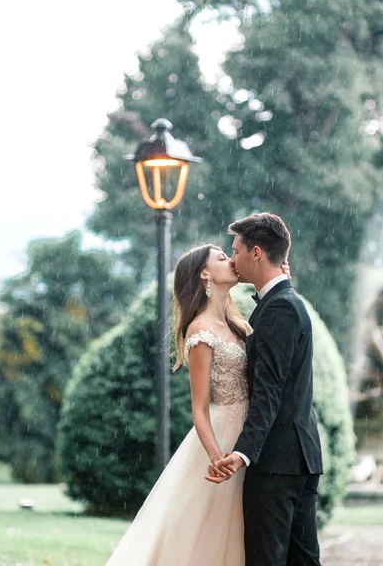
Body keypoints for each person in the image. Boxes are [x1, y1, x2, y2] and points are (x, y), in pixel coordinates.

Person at [105, 241, 290, 565]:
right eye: (222, 257)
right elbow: (200, 408)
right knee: (212, 533)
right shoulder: (200, 331)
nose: (232, 260)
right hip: (225, 435)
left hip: (253, 432)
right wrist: (218, 456)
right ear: (205, 273)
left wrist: (283, 283)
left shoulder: (239, 323)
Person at [207, 213, 323, 565]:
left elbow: (269, 390)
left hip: (276, 461)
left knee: (265, 559)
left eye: (237, 250)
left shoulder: (279, 310)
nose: (233, 259)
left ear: (256, 253)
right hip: (299, 456)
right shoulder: (286, 302)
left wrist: (243, 453)